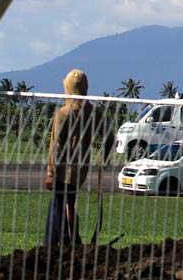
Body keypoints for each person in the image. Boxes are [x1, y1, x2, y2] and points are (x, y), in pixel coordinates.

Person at [44, 69, 115, 247]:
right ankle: (61, 240)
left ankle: (62, 242)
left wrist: (50, 172)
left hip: (62, 167)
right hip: (81, 167)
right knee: (65, 201)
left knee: (60, 204)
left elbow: (56, 144)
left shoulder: (62, 113)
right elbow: (110, 136)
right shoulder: (93, 112)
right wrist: (102, 159)